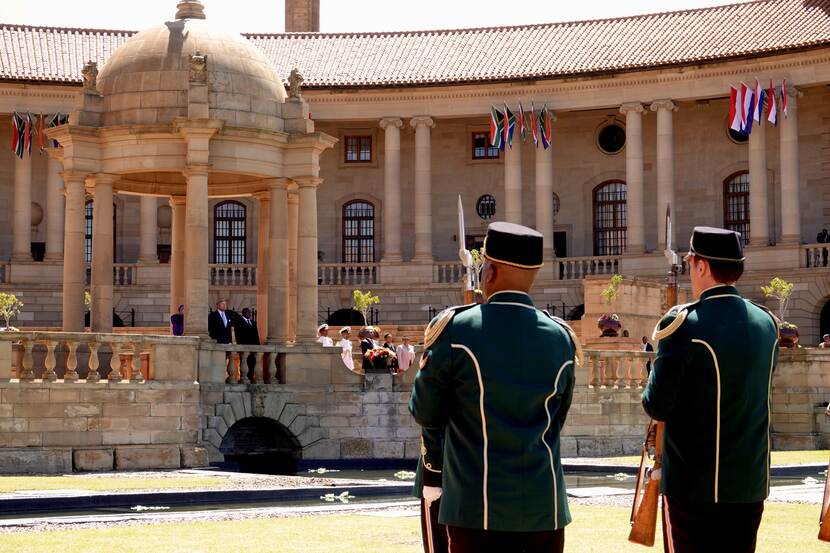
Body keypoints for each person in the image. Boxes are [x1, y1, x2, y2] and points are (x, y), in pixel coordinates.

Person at [410, 222, 581, 553]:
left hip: (475, 507)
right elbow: (556, 419)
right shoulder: (561, 337)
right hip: (543, 508)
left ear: (488, 272)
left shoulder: (457, 329)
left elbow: (425, 411)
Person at [643, 226, 779, 553]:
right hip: (750, 482)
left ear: (701, 265)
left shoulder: (683, 322)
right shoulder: (767, 323)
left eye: (691, 263)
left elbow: (656, 404)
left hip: (695, 485)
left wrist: (653, 371)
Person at [233, 307, 260, 382]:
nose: (250, 314)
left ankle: (251, 378)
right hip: (244, 348)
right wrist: (240, 345)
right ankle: (244, 378)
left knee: (252, 364)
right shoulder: (239, 322)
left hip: (253, 348)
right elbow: (237, 334)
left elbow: (256, 335)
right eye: (248, 312)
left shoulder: (253, 322)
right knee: (245, 363)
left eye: (250, 313)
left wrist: (258, 346)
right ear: (243, 313)